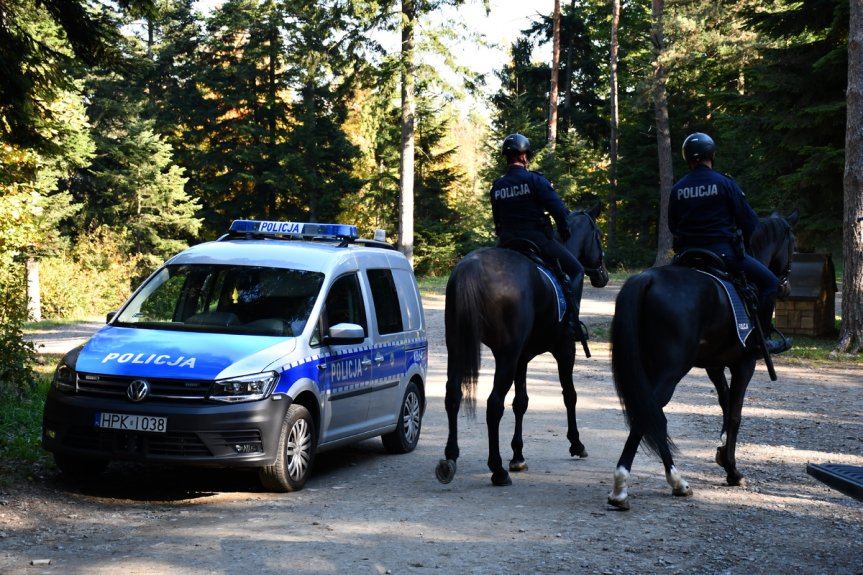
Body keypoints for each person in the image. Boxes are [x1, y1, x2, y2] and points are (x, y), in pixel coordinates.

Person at [668, 132, 790, 354]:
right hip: (722, 254)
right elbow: (750, 222)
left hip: (686, 257)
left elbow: (673, 226)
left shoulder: (678, 189)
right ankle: (760, 341)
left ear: (687, 157)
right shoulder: (725, 183)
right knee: (771, 283)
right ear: (711, 154)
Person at [489, 133, 586, 342]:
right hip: (537, 240)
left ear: (507, 157)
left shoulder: (497, 186)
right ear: (524, 157)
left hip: (506, 244)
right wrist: (564, 230)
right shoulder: (535, 180)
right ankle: (572, 324)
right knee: (576, 269)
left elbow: (498, 222)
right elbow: (559, 211)